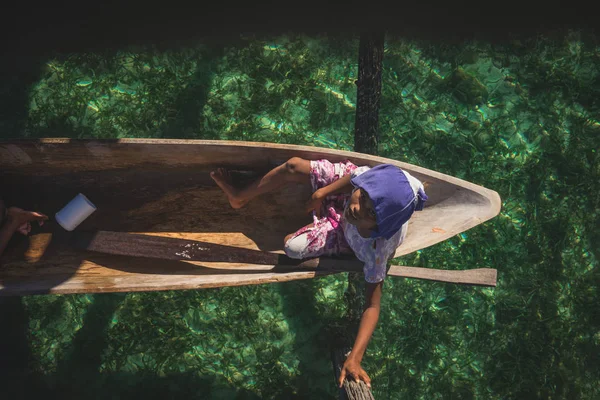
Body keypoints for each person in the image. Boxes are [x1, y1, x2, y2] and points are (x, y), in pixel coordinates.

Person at [211, 157, 428, 389]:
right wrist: (322, 193)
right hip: (350, 195)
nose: (356, 209)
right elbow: (356, 178)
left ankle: (325, 215)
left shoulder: (376, 249)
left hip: (343, 234)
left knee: (291, 247)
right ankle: (239, 197)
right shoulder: (370, 184)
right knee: (293, 165)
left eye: (370, 214)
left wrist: (355, 358)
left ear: (378, 227)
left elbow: (372, 306)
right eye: (362, 198)